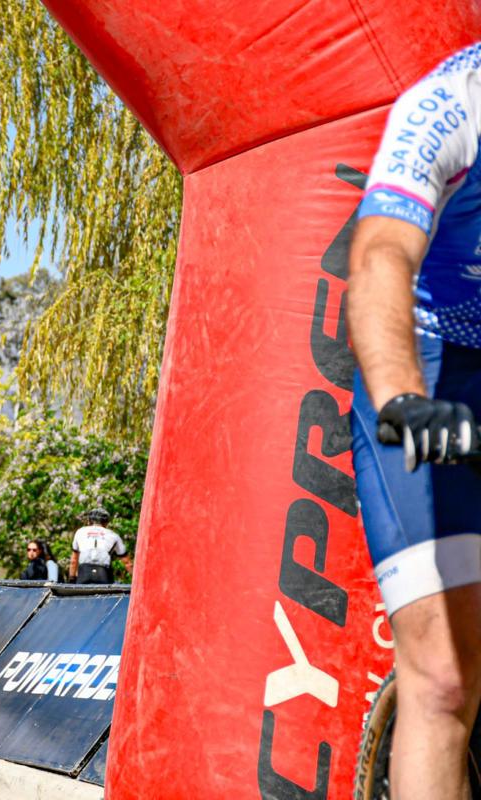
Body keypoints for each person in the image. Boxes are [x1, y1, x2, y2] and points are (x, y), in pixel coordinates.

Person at [347, 41, 481, 800]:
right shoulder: (450, 105)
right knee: (443, 676)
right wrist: (404, 398)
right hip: (431, 365)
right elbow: (379, 257)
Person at [69, 509, 128, 585]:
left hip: (84, 572)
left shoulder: (80, 532)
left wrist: (72, 579)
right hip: (103, 573)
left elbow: (74, 561)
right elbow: (127, 563)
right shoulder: (113, 535)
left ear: (89, 521)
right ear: (106, 523)